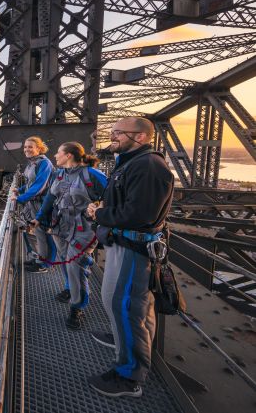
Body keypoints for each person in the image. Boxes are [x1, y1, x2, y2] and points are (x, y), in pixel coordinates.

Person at [86, 117, 174, 398]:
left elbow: (140, 215)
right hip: (125, 244)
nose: (112, 137)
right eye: (112, 132)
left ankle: (129, 376)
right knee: (132, 307)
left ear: (140, 137)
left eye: (118, 133)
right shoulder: (133, 162)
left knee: (124, 305)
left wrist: (99, 214)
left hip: (133, 249)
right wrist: (105, 207)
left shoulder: (148, 166)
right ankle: (123, 336)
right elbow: (127, 203)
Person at [32, 142, 107, 330]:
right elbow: (50, 197)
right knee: (65, 259)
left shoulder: (93, 175)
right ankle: (69, 288)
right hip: (61, 225)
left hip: (84, 229)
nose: (55, 156)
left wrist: (100, 209)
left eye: (58, 153)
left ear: (69, 155)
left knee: (76, 266)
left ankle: (77, 307)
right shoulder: (60, 174)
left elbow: (114, 197)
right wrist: (39, 218)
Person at [11, 136, 55, 273]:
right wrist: (20, 190)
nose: (27, 149)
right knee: (39, 233)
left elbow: (39, 186)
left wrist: (20, 198)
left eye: (30, 147)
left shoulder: (44, 163)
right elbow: (31, 183)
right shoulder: (32, 163)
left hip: (43, 203)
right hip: (34, 202)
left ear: (39, 148)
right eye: (25, 147)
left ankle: (45, 265)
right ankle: (40, 260)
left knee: (44, 234)